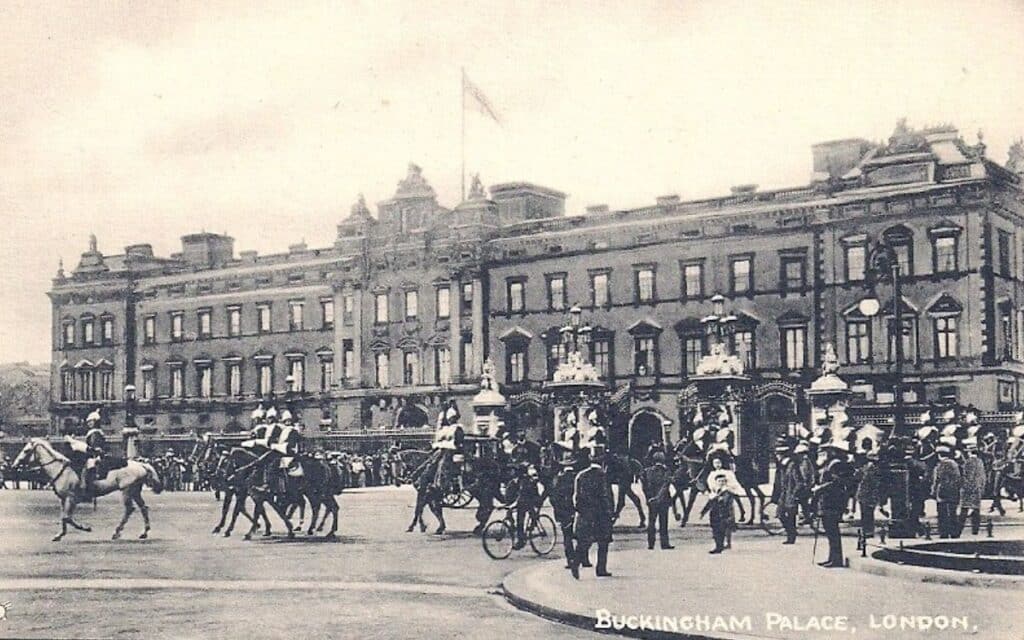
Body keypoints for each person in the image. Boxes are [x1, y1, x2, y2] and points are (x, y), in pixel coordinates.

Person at [571, 446, 614, 579]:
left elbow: (576, 497)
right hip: (601, 514)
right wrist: (610, 512)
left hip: (586, 514)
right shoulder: (603, 476)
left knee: (584, 541)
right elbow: (606, 496)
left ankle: (575, 563)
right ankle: (601, 568)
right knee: (603, 541)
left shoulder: (581, 475)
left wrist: (581, 510)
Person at [813, 457, 852, 568]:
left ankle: (836, 559)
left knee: (833, 534)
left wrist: (820, 489)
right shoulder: (827, 464)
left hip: (832, 507)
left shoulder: (836, 466)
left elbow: (833, 483)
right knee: (831, 535)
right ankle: (832, 558)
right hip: (827, 506)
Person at [641, 451, 674, 550]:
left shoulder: (647, 471)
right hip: (663, 500)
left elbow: (644, 486)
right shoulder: (666, 471)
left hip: (651, 500)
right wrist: (658, 498)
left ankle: (651, 544)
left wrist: (649, 498)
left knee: (651, 522)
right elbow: (665, 486)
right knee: (663, 522)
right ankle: (664, 543)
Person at [700, 472, 736, 554]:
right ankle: (718, 545)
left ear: (725, 482)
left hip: (723, 515)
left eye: (723, 481)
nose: (721, 483)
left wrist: (719, 498)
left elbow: (728, 504)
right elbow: (709, 503)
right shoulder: (714, 492)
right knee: (715, 530)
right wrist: (703, 512)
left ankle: (719, 547)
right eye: (719, 481)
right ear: (716, 482)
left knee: (721, 531)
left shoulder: (727, 492)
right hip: (714, 514)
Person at [932, 445, 962, 539]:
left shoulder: (941, 465)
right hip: (954, 492)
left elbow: (937, 480)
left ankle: (944, 532)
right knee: (953, 513)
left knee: (942, 513)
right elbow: (958, 479)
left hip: (942, 493)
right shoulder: (954, 464)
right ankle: (954, 532)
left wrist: (933, 490)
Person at [958, 442, 986, 536]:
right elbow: (983, 477)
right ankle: (975, 530)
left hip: (969, 489)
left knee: (964, 510)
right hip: (978, 488)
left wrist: (964, 487)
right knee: (976, 510)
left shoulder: (968, 462)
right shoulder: (980, 461)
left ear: (969, 452)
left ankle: (958, 530)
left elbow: (968, 477)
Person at [855, 451, 882, 538]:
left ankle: (867, 530)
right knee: (868, 513)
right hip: (868, 493)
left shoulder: (865, 467)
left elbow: (858, 477)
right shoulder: (873, 468)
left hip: (864, 493)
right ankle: (868, 530)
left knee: (866, 513)